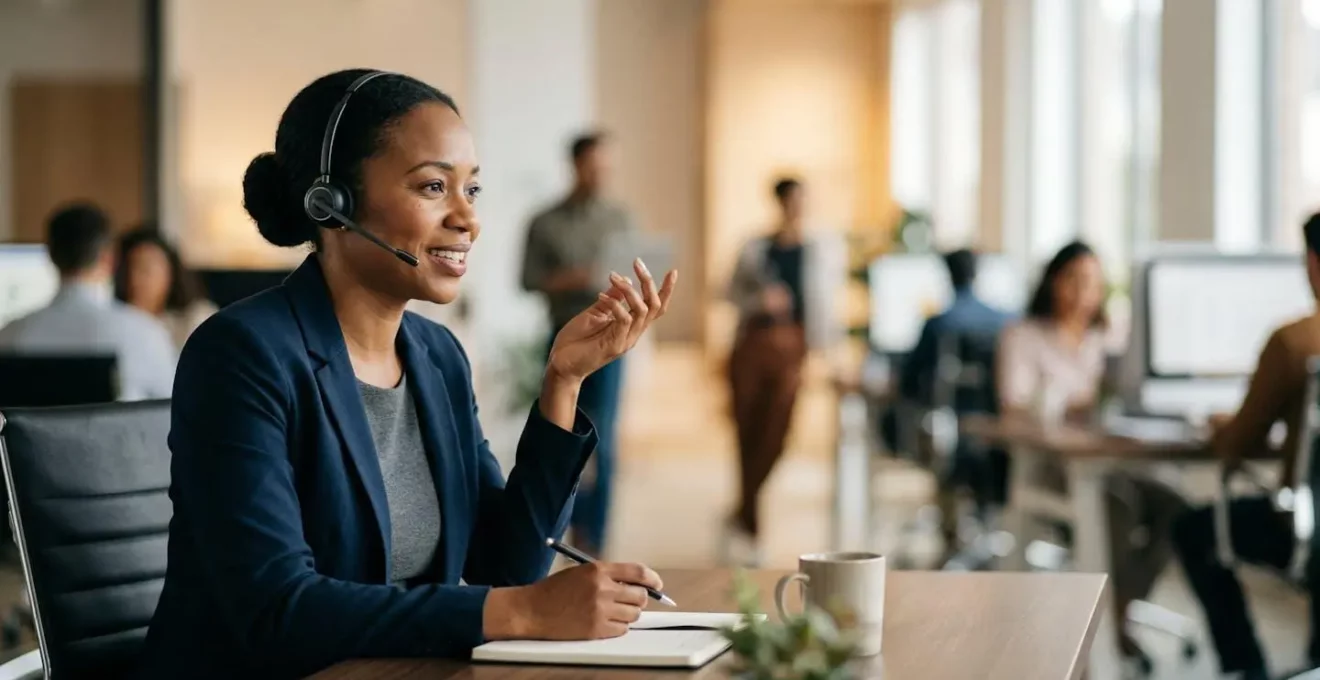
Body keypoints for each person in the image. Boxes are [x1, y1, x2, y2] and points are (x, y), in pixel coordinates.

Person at [138, 69, 678, 680]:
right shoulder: (242, 354)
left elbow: (508, 565)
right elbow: (277, 611)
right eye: (432, 187)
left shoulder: (436, 356)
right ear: (332, 203)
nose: (467, 219)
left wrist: (563, 380)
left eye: (471, 190)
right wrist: (522, 612)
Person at [997, 241, 1186, 671]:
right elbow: (1013, 407)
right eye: (1075, 281)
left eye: (1094, 284)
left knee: (1176, 506)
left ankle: (1119, 606)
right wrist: (1073, 401)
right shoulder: (1024, 336)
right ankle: (1093, 628)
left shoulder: (1111, 339)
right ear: (1053, 282)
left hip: (1115, 462)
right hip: (1052, 468)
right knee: (1115, 508)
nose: (1085, 293)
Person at [1171, 213, 1320, 680]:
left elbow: (1238, 443)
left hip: (1308, 529)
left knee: (1194, 531)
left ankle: (1246, 668)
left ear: (1313, 262)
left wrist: (1219, 427)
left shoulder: (1296, 341)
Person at [521, 131, 637, 558]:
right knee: (558, 432)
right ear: (575, 165)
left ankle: (595, 539)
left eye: (608, 167)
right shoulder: (545, 221)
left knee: (604, 440)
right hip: (563, 338)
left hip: (611, 343)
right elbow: (528, 280)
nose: (601, 174)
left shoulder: (620, 218)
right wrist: (576, 277)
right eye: (594, 165)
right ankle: (559, 529)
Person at [723, 177, 844, 567]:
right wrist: (761, 298)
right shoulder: (755, 246)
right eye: (791, 201)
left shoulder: (822, 250)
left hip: (794, 351)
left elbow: (827, 308)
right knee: (747, 435)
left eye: (802, 201)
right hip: (752, 347)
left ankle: (740, 512)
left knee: (777, 435)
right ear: (779, 203)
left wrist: (829, 354)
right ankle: (751, 526)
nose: (797, 208)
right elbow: (727, 291)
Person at [898, 248, 1014, 558]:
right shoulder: (1007, 319)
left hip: (953, 437)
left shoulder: (938, 324)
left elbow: (908, 383)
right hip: (1004, 439)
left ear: (947, 277)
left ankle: (950, 537)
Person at [0, 203, 176, 400]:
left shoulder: (8, 338)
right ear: (109, 258)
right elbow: (172, 414)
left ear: (50, 255)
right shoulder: (144, 334)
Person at [114, 226, 218, 350]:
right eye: (127, 269)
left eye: (145, 269)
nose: (134, 279)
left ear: (171, 272)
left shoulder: (197, 318)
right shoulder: (114, 321)